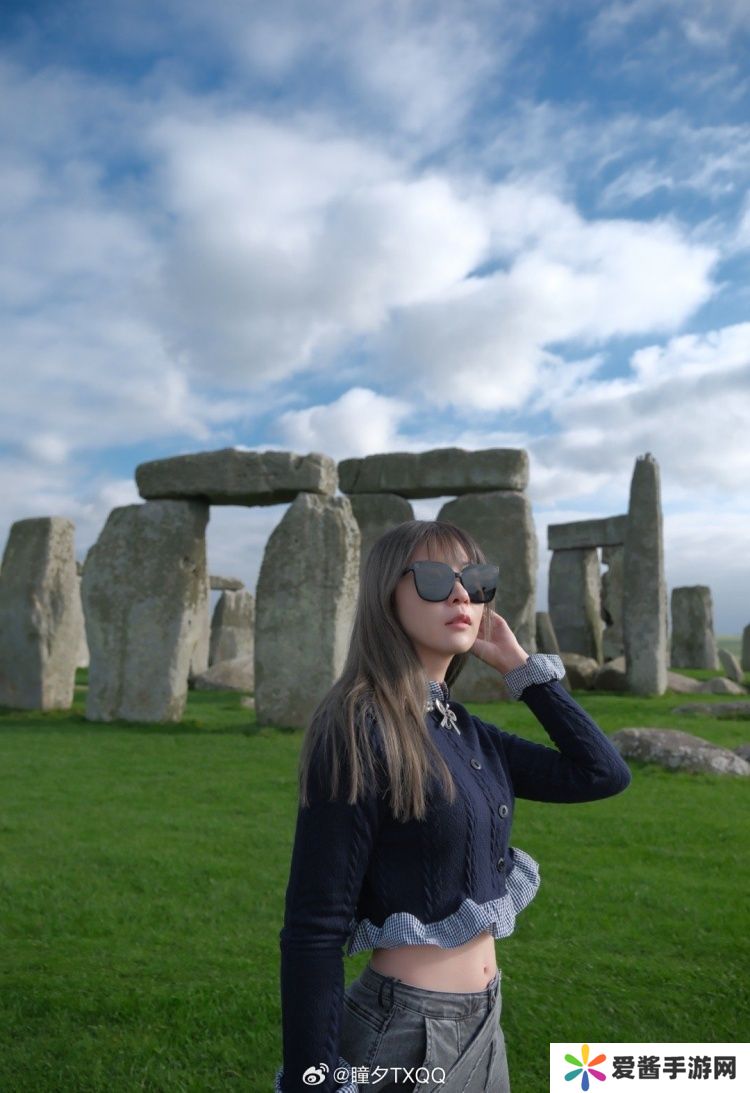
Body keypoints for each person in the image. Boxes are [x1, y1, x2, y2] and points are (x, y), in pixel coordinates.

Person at [274, 520, 631, 1093]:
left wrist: (520, 669)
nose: (462, 595)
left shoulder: (463, 729)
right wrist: (312, 1081)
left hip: (483, 1018)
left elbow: (601, 773)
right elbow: (313, 928)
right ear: (386, 595)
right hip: (406, 1030)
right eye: (436, 578)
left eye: (476, 580)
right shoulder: (358, 726)